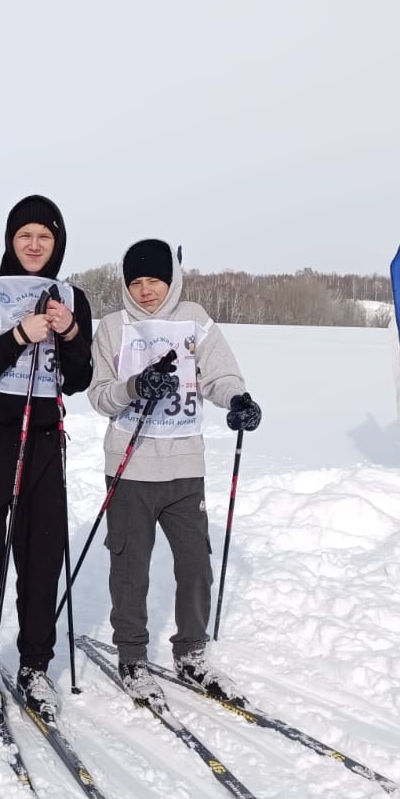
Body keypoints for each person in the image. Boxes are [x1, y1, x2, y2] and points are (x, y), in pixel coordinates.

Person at [85, 238, 261, 708]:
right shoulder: (112, 327)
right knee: (130, 568)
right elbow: (99, 394)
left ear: (171, 280)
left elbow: (219, 375)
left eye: (154, 281)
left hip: (185, 467)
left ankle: (192, 651)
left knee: (195, 564)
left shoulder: (195, 320)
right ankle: (132, 656)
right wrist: (135, 385)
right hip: (130, 466)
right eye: (136, 282)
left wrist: (237, 400)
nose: (145, 291)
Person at [0, 195, 93, 722]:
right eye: (25, 235)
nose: (34, 245)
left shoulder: (74, 298)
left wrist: (69, 332)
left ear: (58, 244)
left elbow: (78, 378)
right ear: (10, 240)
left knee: (41, 554)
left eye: (45, 237)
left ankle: (34, 664)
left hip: (45, 437)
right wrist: (17, 337)